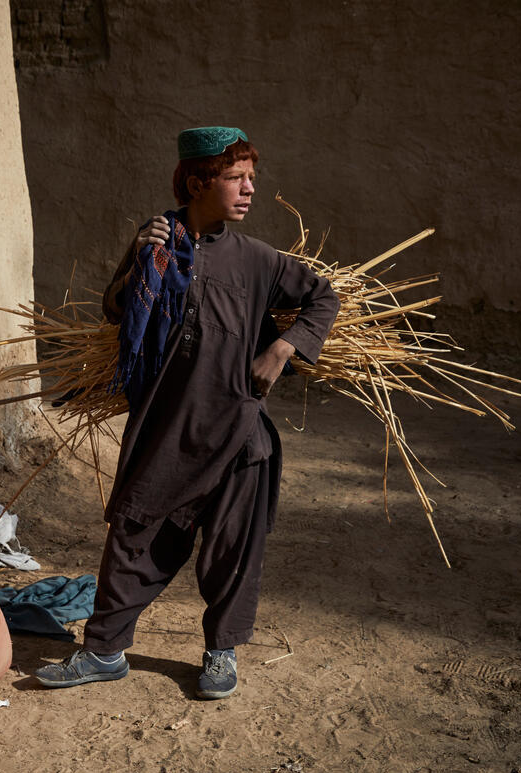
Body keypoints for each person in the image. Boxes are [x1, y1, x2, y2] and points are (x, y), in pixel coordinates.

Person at [35, 126, 340, 699]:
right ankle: (103, 651)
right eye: (236, 178)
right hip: (169, 426)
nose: (250, 189)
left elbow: (324, 297)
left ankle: (220, 652)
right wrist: (138, 256)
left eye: (252, 177)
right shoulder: (159, 243)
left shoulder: (259, 260)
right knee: (133, 531)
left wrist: (285, 344)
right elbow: (116, 308)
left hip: (238, 433)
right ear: (199, 182)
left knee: (231, 545)